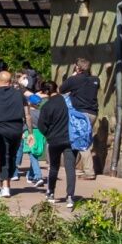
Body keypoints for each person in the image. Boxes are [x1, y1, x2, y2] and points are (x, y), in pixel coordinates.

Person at [37, 80, 79, 208]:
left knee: (54, 167)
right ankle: (70, 196)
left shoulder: (47, 106)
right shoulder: (69, 102)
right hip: (70, 139)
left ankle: (50, 193)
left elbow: (41, 126)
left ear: (45, 92)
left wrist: (48, 135)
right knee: (70, 168)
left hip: (54, 140)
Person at [0, 70, 28, 197]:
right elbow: (28, 113)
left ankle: (5, 185)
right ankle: (7, 182)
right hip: (17, 128)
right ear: (10, 82)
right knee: (12, 156)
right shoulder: (19, 94)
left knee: (3, 157)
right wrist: (30, 131)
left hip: (0, 128)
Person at [60, 58, 101, 179]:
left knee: (82, 142)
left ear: (77, 68)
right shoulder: (96, 80)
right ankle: (73, 165)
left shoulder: (74, 79)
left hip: (80, 114)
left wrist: (72, 76)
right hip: (93, 113)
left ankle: (89, 172)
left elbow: (61, 89)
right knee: (78, 139)